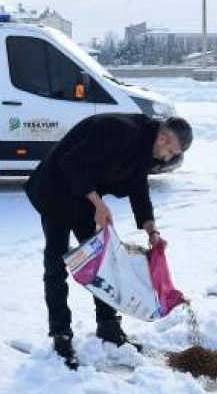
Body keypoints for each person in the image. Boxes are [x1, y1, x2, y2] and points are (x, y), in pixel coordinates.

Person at [24, 113, 193, 369]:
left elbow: (138, 188)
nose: (168, 157)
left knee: (104, 261)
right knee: (57, 263)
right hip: (56, 189)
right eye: (170, 149)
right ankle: (61, 334)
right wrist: (98, 203)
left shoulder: (146, 149)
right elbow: (72, 161)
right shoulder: (119, 129)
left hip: (84, 196)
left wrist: (151, 229)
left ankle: (108, 326)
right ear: (163, 136)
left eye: (174, 154)